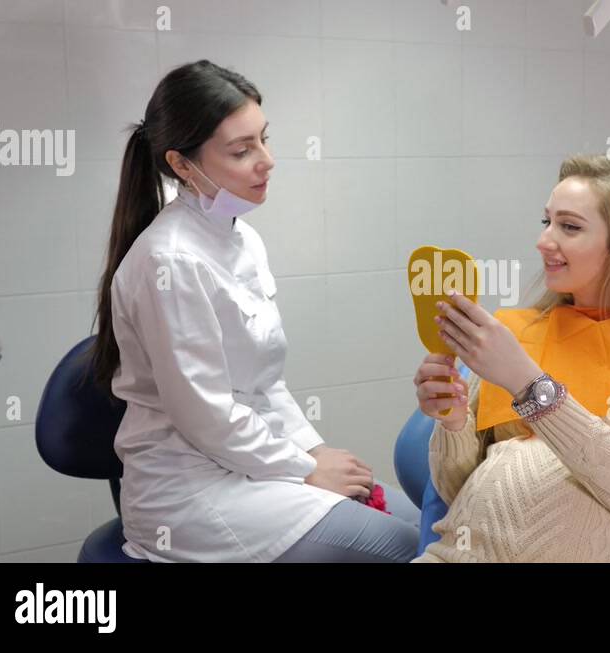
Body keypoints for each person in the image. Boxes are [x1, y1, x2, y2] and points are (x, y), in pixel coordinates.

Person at [86, 60, 418, 563]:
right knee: (401, 547)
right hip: (190, 491)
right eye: (242, 151)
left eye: (264, 139)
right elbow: (204, 415)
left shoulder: (241, 238)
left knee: (430, 524)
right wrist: (303, 469)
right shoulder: (169, 260)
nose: (267, 161)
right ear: (181, 164)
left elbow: (264, 384)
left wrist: (311, 451)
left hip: (249, 463)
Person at [412, 155, 610, 562]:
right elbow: (456, 489)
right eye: (546, 221)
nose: (544, 241)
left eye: (569, 226)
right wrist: (452, 419)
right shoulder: (514, 333)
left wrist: (529, 386)